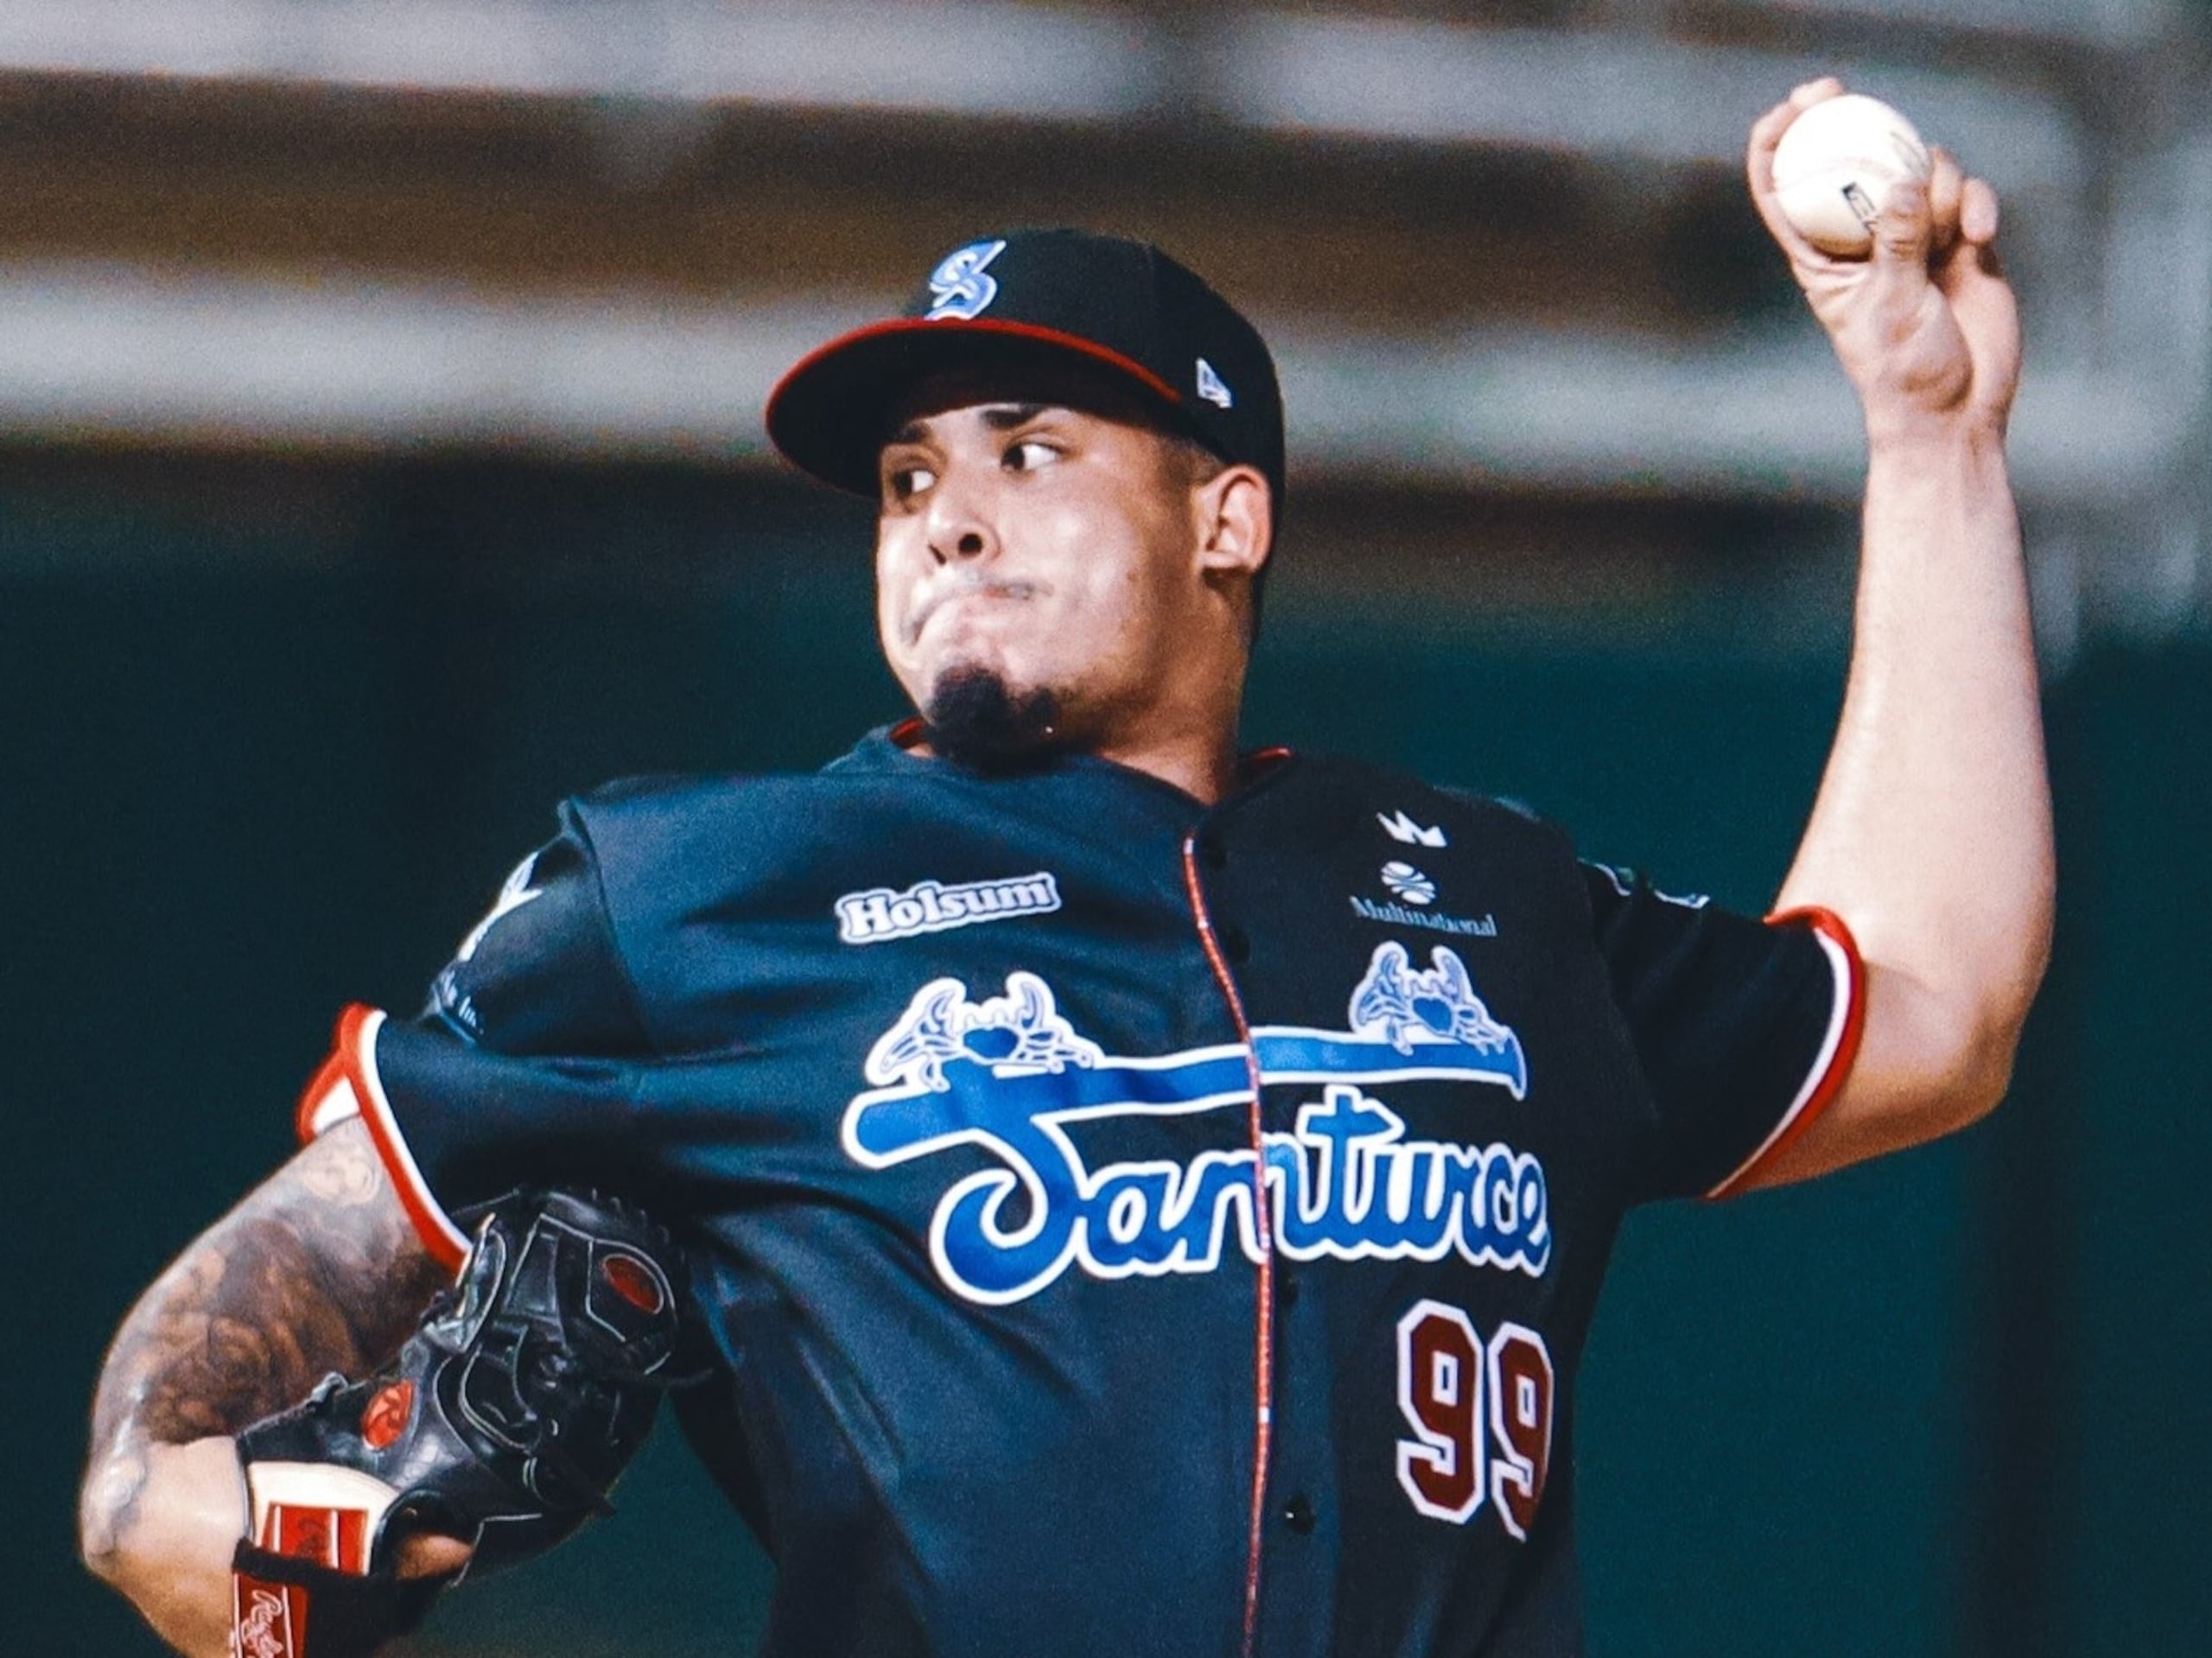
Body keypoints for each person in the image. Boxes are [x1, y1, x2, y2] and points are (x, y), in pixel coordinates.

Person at [80, 79, 2051, 1658]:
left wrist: (1930, 438)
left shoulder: (1487, 903)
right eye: (910, 479)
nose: (943, 517)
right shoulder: (696, 896)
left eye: (1026, 448)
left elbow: (1932, 1003)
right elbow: (193, 1414)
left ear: (1230, 517)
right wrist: (220, 1522)